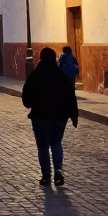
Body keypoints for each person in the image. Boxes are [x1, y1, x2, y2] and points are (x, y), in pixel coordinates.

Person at [21, 47, 79, 188]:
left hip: (40, 117)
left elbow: (26, 96)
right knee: (56, 143)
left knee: (43, 147)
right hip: (60, 117)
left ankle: (46, 176)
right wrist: (74, 115)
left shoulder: (35, 75)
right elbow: (71, 96)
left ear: (41, 58)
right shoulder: (62, 75)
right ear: (54, 59)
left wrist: (29, 104)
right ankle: (58, 170)